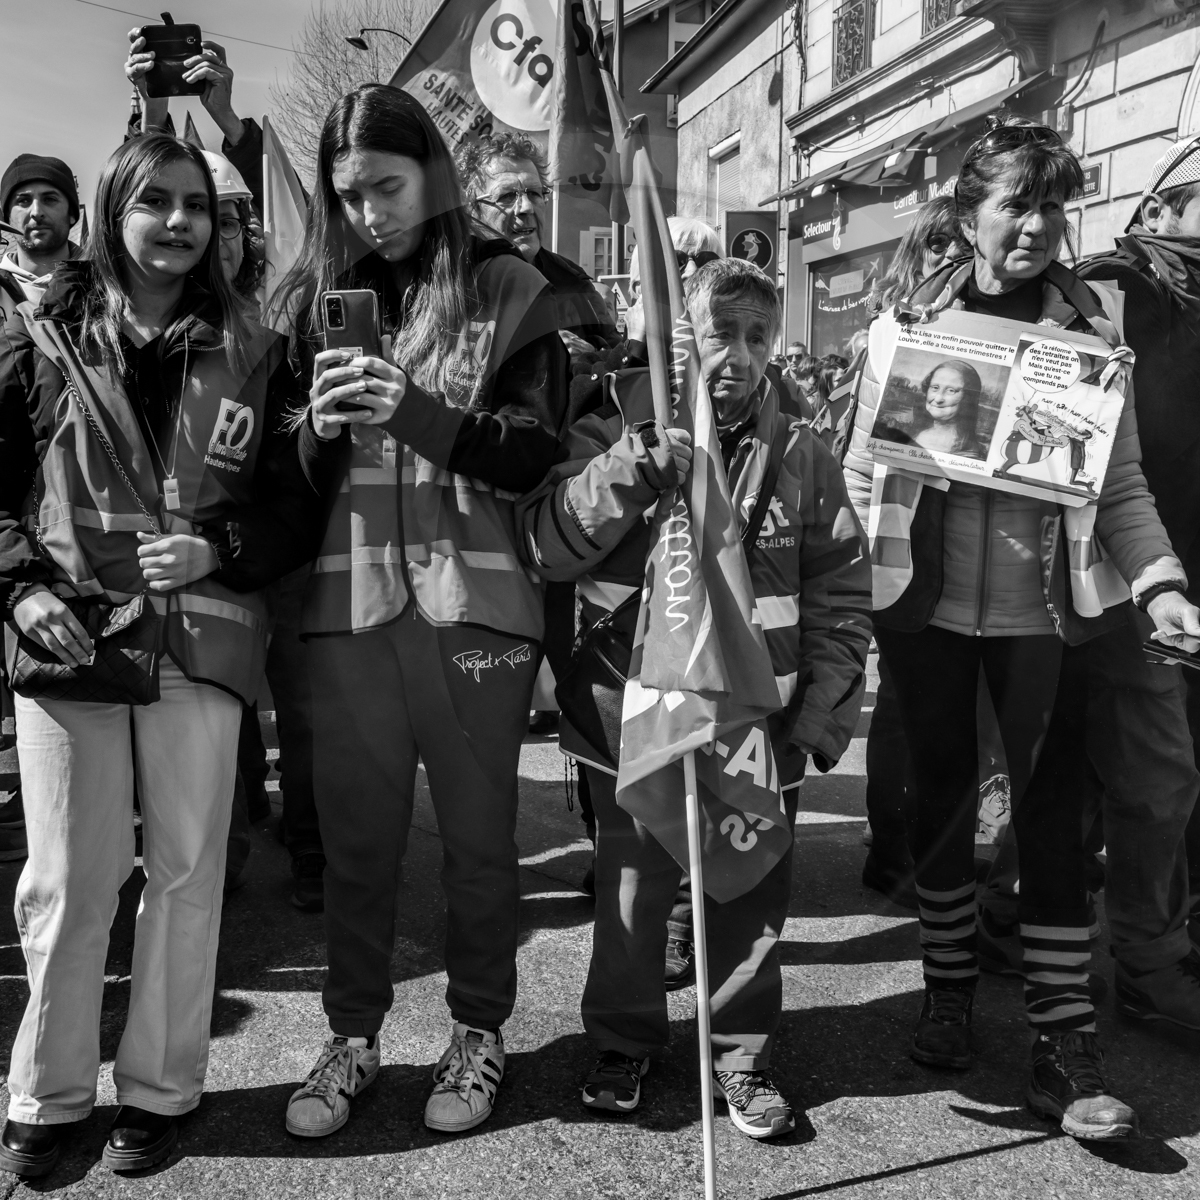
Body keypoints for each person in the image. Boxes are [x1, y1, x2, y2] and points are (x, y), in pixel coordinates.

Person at [843, 117, 1200, 1141]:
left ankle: (1062, 1044)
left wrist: (1161, 584)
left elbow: (1121, 488)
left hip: (1055, 624)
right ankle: (948, 991)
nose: (1038, 226)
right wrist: (853, 583)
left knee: (1050, 828)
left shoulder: (1090, 346)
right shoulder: (906, 330)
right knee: (947, 809)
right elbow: (867, 473)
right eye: (1016, 204)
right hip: (928, 618)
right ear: (968, 216)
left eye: (1053, 204)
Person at [0, 132, 317, 1180]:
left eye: (195, 204)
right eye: (153, 204)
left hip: (202, 637)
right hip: (72, 638)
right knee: (66, 879)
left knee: (186, 875)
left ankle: (162, 1089)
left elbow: (289, 511)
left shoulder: (263, 348)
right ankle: (46, 1096)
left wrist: (218, 547)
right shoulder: (36, 337)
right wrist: (20, 588)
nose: (177, 223)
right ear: (111, 213)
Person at [517, 258, 872, 1138]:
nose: (741, 355)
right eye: (721, 333)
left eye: (759, 335)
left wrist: (818, 718)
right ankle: (624, 1040)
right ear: (679, 338)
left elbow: (842, 596)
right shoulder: (612, 423)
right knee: (633, 893)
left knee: (748, 895)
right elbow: (548, 544)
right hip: (633, 718)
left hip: (764, 726)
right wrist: (634, 468)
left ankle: (742, 1056)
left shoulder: (804, 452)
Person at [278, 84, 566, 1140]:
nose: (369, 215)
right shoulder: (314, 300)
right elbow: (279, 485)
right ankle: (352, 1037)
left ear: (434, 174)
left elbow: (537, 450)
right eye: (348, 196)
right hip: (348, 612)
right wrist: (311, 430)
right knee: (358, 846)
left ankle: (479, 1033)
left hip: (476, 609)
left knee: (482, 845)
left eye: (387, 188)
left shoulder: (509, 286)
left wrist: (420, 411)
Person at [975, 133, 1200, 1031]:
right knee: (1134, 778)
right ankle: (1130, 959)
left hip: (1161, 582)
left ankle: (1044, 926)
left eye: (1053, 209)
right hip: (1097, 583)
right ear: (1161, 207)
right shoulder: (1111, 292)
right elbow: (1091, 462)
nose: (1039, 227)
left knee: (1138, 781)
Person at [125, 31, 325, 910]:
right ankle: (231, 843)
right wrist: (152, 111)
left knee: (304, 705)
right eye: (221, 223)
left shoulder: (279, 305)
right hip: (201, 558)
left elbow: (293, 220)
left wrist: (228, 119)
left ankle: (314, 846)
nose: (232, 239)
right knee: (224, 713)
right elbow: (131, 217)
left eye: (240, 222)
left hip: (279, 542)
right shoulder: (176, 305)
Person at [456, 133, 619, 355]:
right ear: (471, 211)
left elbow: (614, 362)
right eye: (506, 196)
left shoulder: (573, 282)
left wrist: (585, 358)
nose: (526, 207)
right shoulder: (448, 283)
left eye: (534, 193)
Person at [0, 156, 82, 326]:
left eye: (49, 199)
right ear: (6, 217)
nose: (36, 212)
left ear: (72, 213)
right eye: (23, 201)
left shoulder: (108, 289)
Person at [906, 359, 985, 457]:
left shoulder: (965, 450)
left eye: (951, 390)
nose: (938, 399)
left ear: (968, 398)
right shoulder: (922, 434)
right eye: (935, 387)